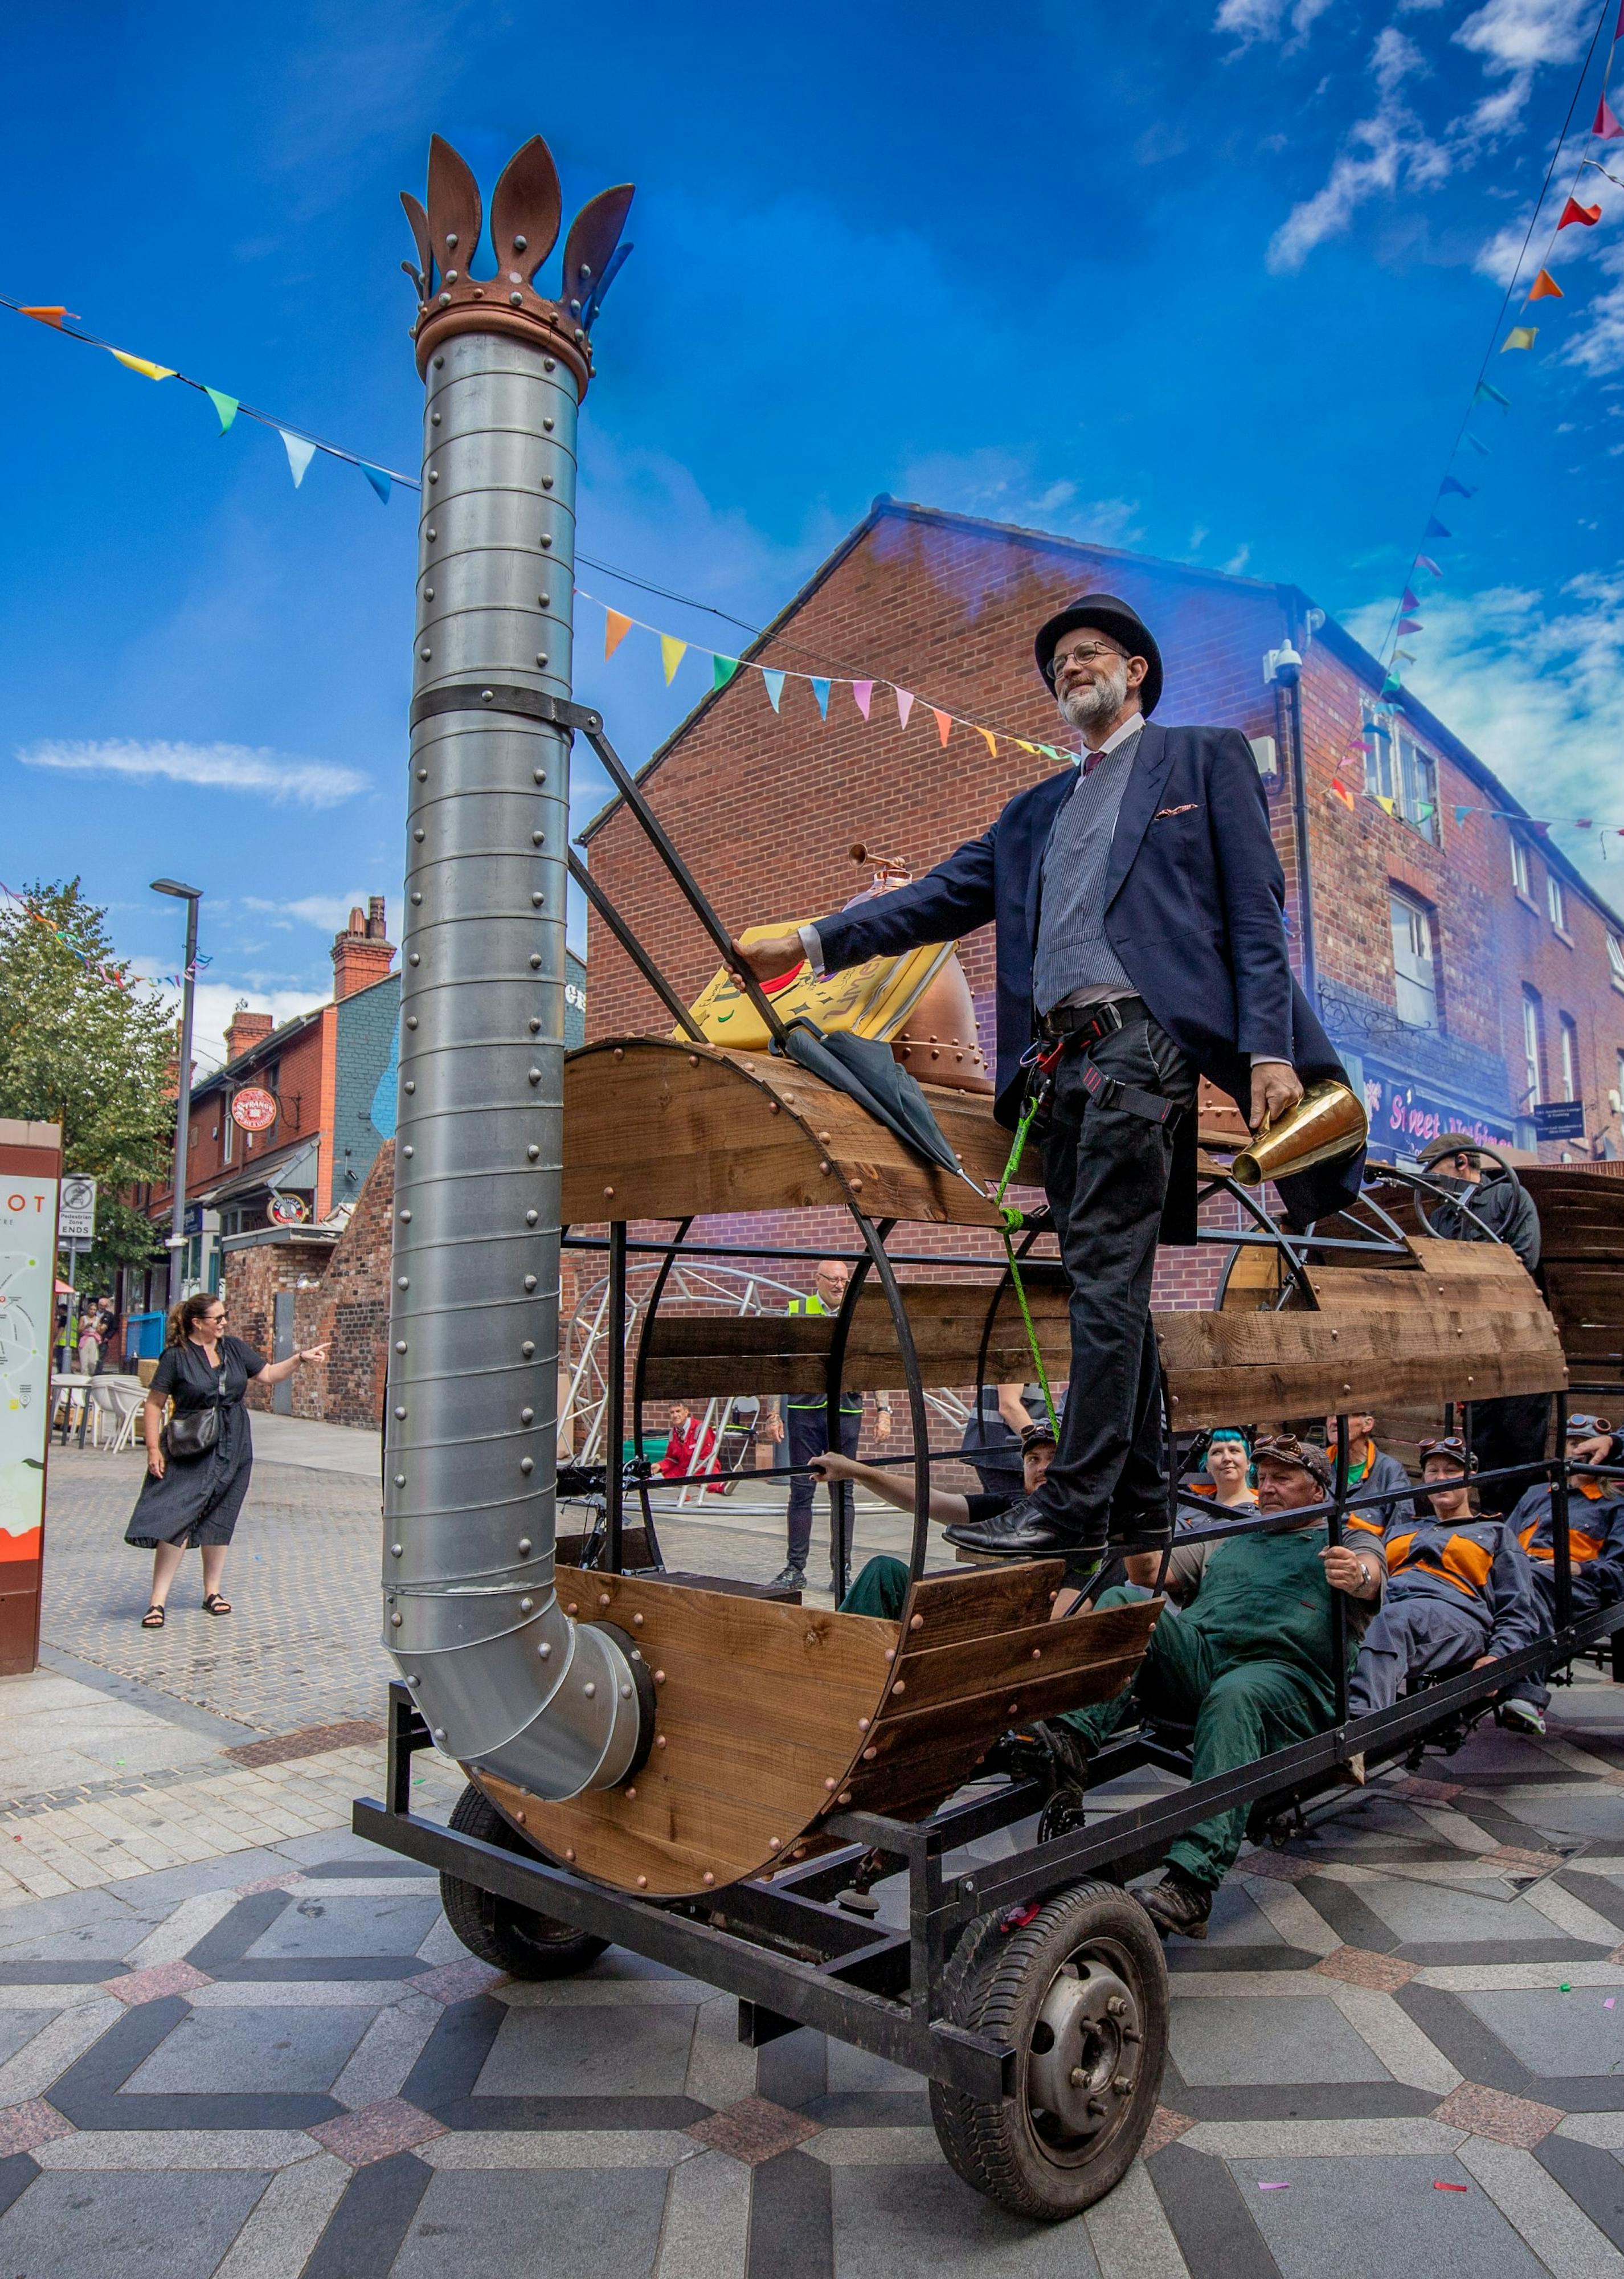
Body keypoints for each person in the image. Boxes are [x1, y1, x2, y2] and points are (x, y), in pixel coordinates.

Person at [731, 594, 1362, 1569]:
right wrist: (808, 943)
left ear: (1135, 670)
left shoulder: (1202, 760)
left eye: (1088, 654)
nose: (1070, 669)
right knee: (1106, 1285)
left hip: (1143, 1046)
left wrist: (1270, 1053)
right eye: (1058, 662)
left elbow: (1254, 917)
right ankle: (1144, 1505)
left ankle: (1071, 1503)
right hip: (1058, 1067)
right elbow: (937, 898)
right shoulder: (1033, 814)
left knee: (1103, 1275)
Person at [1040, 1435, 1384, 1938]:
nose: (1265, 1488)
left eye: (1282, 1479)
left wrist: (1354, 1576)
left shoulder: (1345, 1538)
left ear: (1317, 1492)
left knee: (1236, 1695)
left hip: (1287, 1678)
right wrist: (1135, 1522)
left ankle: (1191, 1883)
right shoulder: (1232, 1533)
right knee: (1121, 1599)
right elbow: (1150, 1573)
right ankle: (1069, 1744)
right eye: (1262, 1478)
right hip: (1204, 1657)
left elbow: (1371, 1575)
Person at [125, 1293, 325, 1628]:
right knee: (177, 1516)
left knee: (222, 1513)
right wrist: (152, 1450)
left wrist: (300, 1359)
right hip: (191, 1444)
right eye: (217, 1318)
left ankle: (212, 1592)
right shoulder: (176, 1357)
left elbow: (269, 1375)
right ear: (197, 1322)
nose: (224, 1322)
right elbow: (155, 1404)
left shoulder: (232, 1348)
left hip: (233, 1441)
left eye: (224, 1316)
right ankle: (157, 1601)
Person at [1347, 1436, 1542, 1729]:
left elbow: (1519, 1607)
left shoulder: (1494, 1532)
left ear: (1470, 1478)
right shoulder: (1401, 1530)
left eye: (1451, 1471)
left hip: (1454, 1610)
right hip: (1390, 1603)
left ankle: (1360, 1728)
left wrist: (1498, 1655)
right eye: (1433, 1471)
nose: (1441, 1478)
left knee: (1394, 1620)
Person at [819, 1421, 1059, 1616]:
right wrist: (854, 1470)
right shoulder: (1010, 1506)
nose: (1042, 1468)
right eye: (1033, 1459)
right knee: (884, 1572)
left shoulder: (1084, 1517)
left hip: (1006, 1621)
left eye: (1053, 1457)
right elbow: (928, 1500)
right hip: (984, 1615)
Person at [1429, 1147, 1548, 1505]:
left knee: (1523, 1446)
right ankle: (1497, 1524)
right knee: (1484, 1446)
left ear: (1462, 1162)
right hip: (1475, 1348)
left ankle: (1529, 1532)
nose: (1431, 1182)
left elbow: (1524, 1259)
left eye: (1436, 1171)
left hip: (1520, 1343)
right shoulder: (1440, 1217)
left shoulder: (1508, 1197)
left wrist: (1461, 1278)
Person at [770, 1258, 893, 1592]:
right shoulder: (797, 1310)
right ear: (818, 1280)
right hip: (805, 1412)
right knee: (801, 1491)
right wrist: (772, 1413)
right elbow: (778, 1367)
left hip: (847, 1413)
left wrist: (884, 1410)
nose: (840, 1285)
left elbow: (872, 1365)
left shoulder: (857, 1314)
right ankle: (795, 1568)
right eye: (834, 1279)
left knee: (844, 1493)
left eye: (844, 1280)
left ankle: (842, 1572)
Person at [1499, 1413, 1624, 1734]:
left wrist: (1579, 1567)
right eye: (1572, 1443)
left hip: (1574, 1586)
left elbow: (1619, 1572)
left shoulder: (1616, 1505)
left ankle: (1527, 1696)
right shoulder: (1536, 1494)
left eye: (1586, 1445)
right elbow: (1503, 1544)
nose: (1579, 1451)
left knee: (1530, 1580)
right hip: (1519, 1575)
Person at [1323, 1411, 1414, 1533]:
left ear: (1367, 1424)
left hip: (1368, 1549)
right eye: (1330, 1415)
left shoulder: (1390, 1470)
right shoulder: (1315, 1465)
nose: (1333, 1422)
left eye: (1344, 1416)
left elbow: (1400, 1527)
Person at [960, 1382, 1051, 1497]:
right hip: (1005, 1452)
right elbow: (1009, 1407)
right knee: (1018, 1509)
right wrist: (1039, 1443)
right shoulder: (1018, 1363)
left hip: (999, 1449)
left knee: (1002, 1508)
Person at [1181, 1427, 1257, 1514]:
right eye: (1217, 1452)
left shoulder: (1266, 1509)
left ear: (1248, 1462)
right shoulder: (1189, 1507)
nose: (1227, 1458)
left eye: (1234, 1451)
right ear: (1207, 1465)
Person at [657, 1401, 717, 1483]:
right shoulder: (673, 1434)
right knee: (658, 1481)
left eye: (678, 1411)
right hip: (683, 1472)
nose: (675, 1415)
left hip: (704, 1470)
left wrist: (690, 1475)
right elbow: (672, 1459)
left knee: (712, 1484)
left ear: (686, 1412)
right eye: (672, 1412)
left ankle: (724, 1486)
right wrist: (659, 1466)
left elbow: (707, 1458)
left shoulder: (701, 1429)